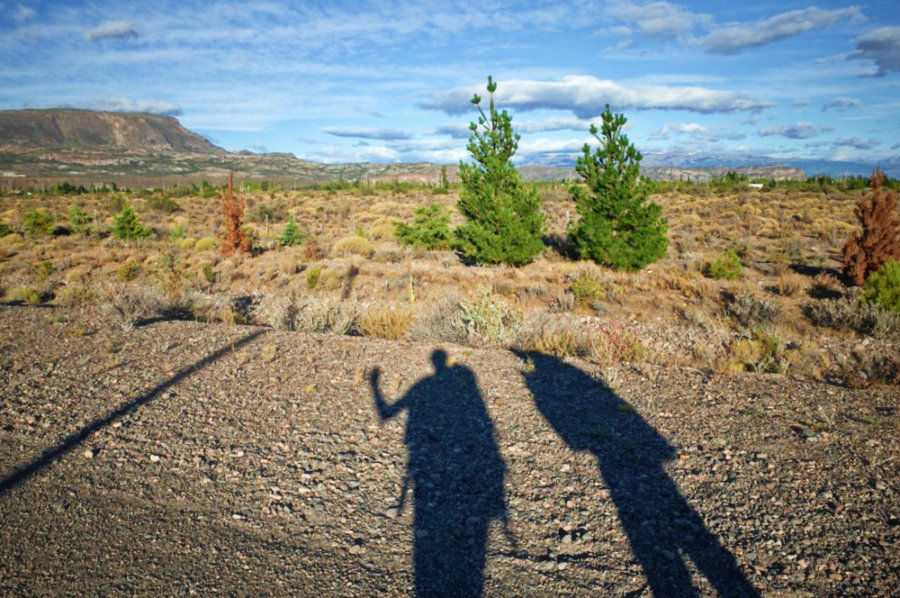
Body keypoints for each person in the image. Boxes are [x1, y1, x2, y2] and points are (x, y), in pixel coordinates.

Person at [370, 350, 507, 597]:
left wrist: (374, 387)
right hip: (457, 462)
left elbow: (387, 413)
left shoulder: (422, 386)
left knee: (428, 532)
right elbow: (484, 422)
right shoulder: (463, 387)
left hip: (422, 461)